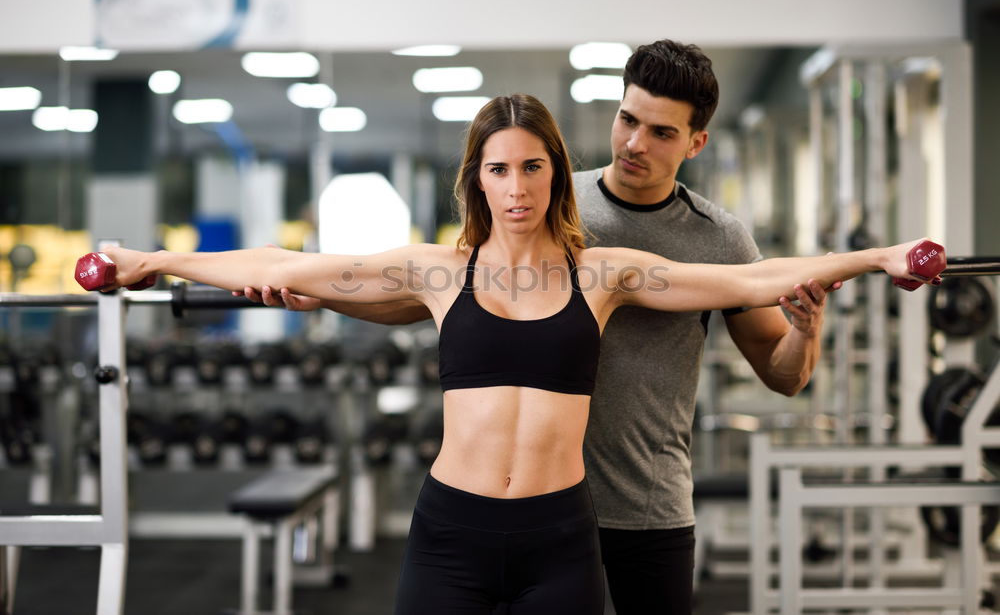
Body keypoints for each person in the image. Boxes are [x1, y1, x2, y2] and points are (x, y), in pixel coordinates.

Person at [96, 94, 935, 615]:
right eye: (500, 169)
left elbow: (758, 278)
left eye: (534, 166)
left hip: (559, 535)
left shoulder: (604, 273)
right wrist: (153, 262)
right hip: (450, 532)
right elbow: (281, 267)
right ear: (478, 180)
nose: (518, 186)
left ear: (556, 176)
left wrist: (876, 258)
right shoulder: (435, 268)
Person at [243, 40, 838, 614]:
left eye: (661, 132)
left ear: (696, 142)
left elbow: (782, 374)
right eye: (627, 119)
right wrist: (325, 296)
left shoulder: (718, 238)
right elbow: (437, 298)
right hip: (535, 504)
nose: (635, 142)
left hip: (645, 505)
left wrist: (805, 331)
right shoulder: (542, 196)